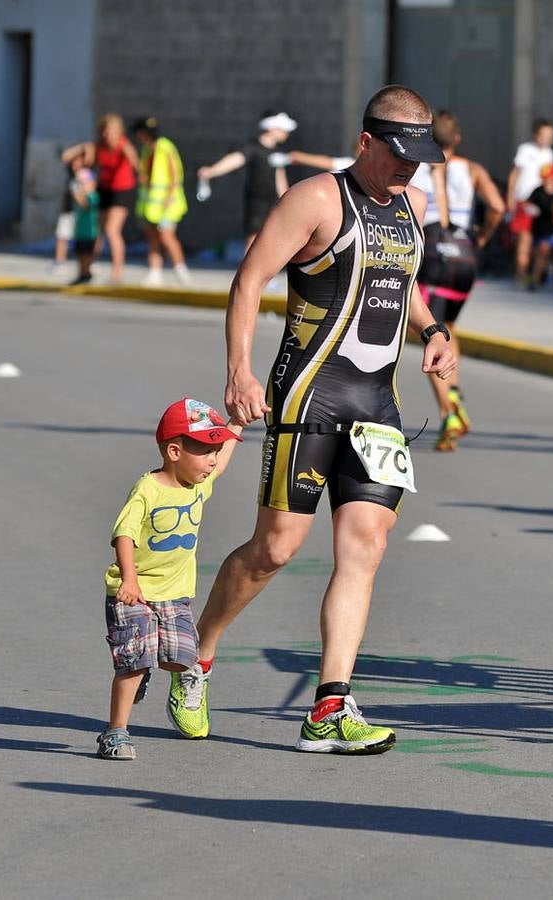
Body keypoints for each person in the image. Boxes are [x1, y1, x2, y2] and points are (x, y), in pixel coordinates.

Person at [193, 84, 455, 754]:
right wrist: (239, 371)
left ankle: (329, 707)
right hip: (308, 397)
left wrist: (433, 330)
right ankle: (196, 655)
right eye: (399, 155)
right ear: (366, 142)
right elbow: (250, 278)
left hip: (377, 407)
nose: (410, 170)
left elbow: (402, 283)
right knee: (275, 549)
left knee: (366, 544)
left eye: (420, 158)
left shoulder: (414, 206)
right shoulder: (315, 200)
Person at [97, 398, 244, 760]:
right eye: (205, 450)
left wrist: (238, 422)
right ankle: (116, 733)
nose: (212, 459)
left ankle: (146, 668)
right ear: (175, 451)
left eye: (215, 449)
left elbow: (223, 463)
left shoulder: (198, 486)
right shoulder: (147, 489)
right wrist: (129, 580)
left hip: (175, 595)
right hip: (135, 594)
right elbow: (125, 535)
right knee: (133, 665)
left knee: (182, 658)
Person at [408, 109, 504, 451]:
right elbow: (498, 205)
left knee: (428, 332)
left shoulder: (415, 167)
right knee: (447, 325)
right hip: (464, 254)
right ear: (458, 139)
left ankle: (449, 409)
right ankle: (455, 392)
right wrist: (482, 236)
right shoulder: (473, 169)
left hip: (432, 252)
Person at [197, 110, 296, 249]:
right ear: (271, 128)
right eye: (283, 130)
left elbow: (280, 179)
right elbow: (235, 159)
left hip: (274, 202)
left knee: (273, 239)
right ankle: (250, 269)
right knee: (254, 238)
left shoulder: (278, 152)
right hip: (257, 201)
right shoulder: (253, 148)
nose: (286, 133)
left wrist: (286, 201)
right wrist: (212, 171)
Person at [64, 115, 138, 283]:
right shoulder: (99, 146)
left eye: (111, 131)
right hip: (104, 189)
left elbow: (135, 164)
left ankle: (117, 273)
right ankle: (86, 271)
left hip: (122, 190)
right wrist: (84, 147)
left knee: (112, 230)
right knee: (97, 232)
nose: (108, 135)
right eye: (105, 131)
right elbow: (71, 159)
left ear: (119, 131)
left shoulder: (123, 145)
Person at [132, 116, 190, 286]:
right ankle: (154, 272)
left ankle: (180, 269)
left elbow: (175, 174)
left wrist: (169, 198)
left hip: (167, 205)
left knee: (166, 237)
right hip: (151, 205)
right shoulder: (146, 149)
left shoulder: (165, 147)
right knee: (152, 239)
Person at [505, 118, 553, 288]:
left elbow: (551, 180)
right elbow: (515, 174)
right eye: (544, 135)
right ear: (536, 135)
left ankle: (536, 277)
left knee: (542, 243)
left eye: (550, 136)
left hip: (541, 205)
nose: (547, 139)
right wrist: (510, 198)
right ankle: (521, 275)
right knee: (524, 240)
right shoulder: (525, 150)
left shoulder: (550, 154)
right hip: (524, 201)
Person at [527, 162, 553, 289]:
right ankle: (542, 275)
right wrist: (530, 209)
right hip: (538, 227)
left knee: (544, 250)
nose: (546, 181)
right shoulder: (538, 191)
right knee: (539, 254)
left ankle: (536, 279)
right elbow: (527, 204)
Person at [70, 167, 100, 285]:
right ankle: (81, 274)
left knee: (87, 254)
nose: (82, 186)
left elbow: (85, 206)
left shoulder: (93, 196)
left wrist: (77, 195)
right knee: (80, 254)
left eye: (84, 183)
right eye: (80, 183)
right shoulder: (81, 196)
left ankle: (87, 273)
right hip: (80, 231)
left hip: (90, 232)